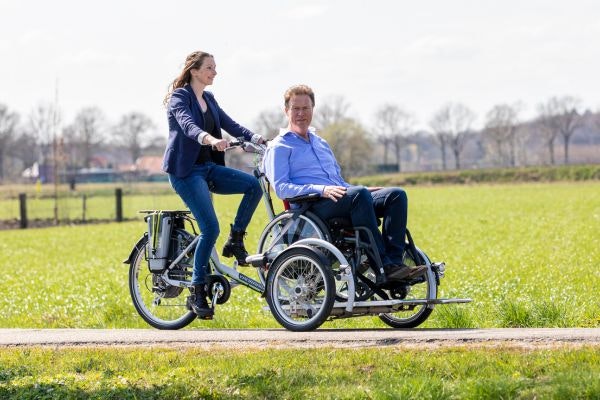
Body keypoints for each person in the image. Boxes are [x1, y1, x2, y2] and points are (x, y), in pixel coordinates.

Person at [262, 84, 426, 282]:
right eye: (295, 109)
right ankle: (383, 267)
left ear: (313, 109)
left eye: (306, 108)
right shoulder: (279, 146)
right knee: (358, 196)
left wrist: (360, 189)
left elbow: (338, 181)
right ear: (286, 111)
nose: (301, 114)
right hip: (311, 207)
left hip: (340, 198)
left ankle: (394, 261)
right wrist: (321, 189)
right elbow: (281, 188)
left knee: (395, 195)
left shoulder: (320, 143)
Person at [162, 51, 265, 318]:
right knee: (209, 228)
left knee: (254, 186)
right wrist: (209, 139)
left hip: (209, 168)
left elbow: (229, 123)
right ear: (195, 71)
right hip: (185, 172)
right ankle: (197, 289)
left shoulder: (208, 98)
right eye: (210, 67)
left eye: (215, 67)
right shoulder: (180, 97)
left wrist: (255, 137)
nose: (214, 72)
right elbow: (187, 126)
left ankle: (236, 240)